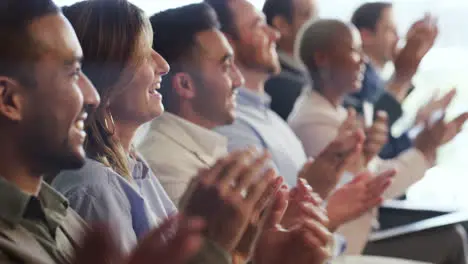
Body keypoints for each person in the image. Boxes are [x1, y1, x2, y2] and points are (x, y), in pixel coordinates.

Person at [50, 1, 278, 263]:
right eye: (145, 53)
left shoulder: (133, 166)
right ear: (106, 77)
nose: (163, 65)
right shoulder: (94, 186)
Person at [0, 0, 210, 263]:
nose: (91, 95)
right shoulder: (91, 187)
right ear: (9, 101)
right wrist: (217, 245)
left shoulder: (58, 211)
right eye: (73, 73)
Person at [138, 4, 333, 263]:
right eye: (225, 66)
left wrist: (278, 222)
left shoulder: (207, 147)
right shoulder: (167, 165)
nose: (239, 80)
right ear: (185, 85)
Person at [289, 18, 468, 263]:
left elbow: (371, 173)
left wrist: (420, 146)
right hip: (344, 243)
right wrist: (423, 149)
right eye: (354, 51)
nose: (362, 59)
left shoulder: (339, 113)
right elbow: (368, 189)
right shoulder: (313, 120)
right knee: (453, 237)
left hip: (361, 229)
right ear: (322, 59)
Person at [347, 2, 441, 159]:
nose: (398, 38)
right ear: (366, 36)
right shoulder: (357, 80)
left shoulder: (375, 79)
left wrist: (418, 124)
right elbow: (375, 148)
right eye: (391, 30)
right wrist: (403, 77)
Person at [262, 0, 318, 120]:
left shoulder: (307, 70)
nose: (318, 24)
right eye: (308, 15)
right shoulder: (277, 81)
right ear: (281, 24)